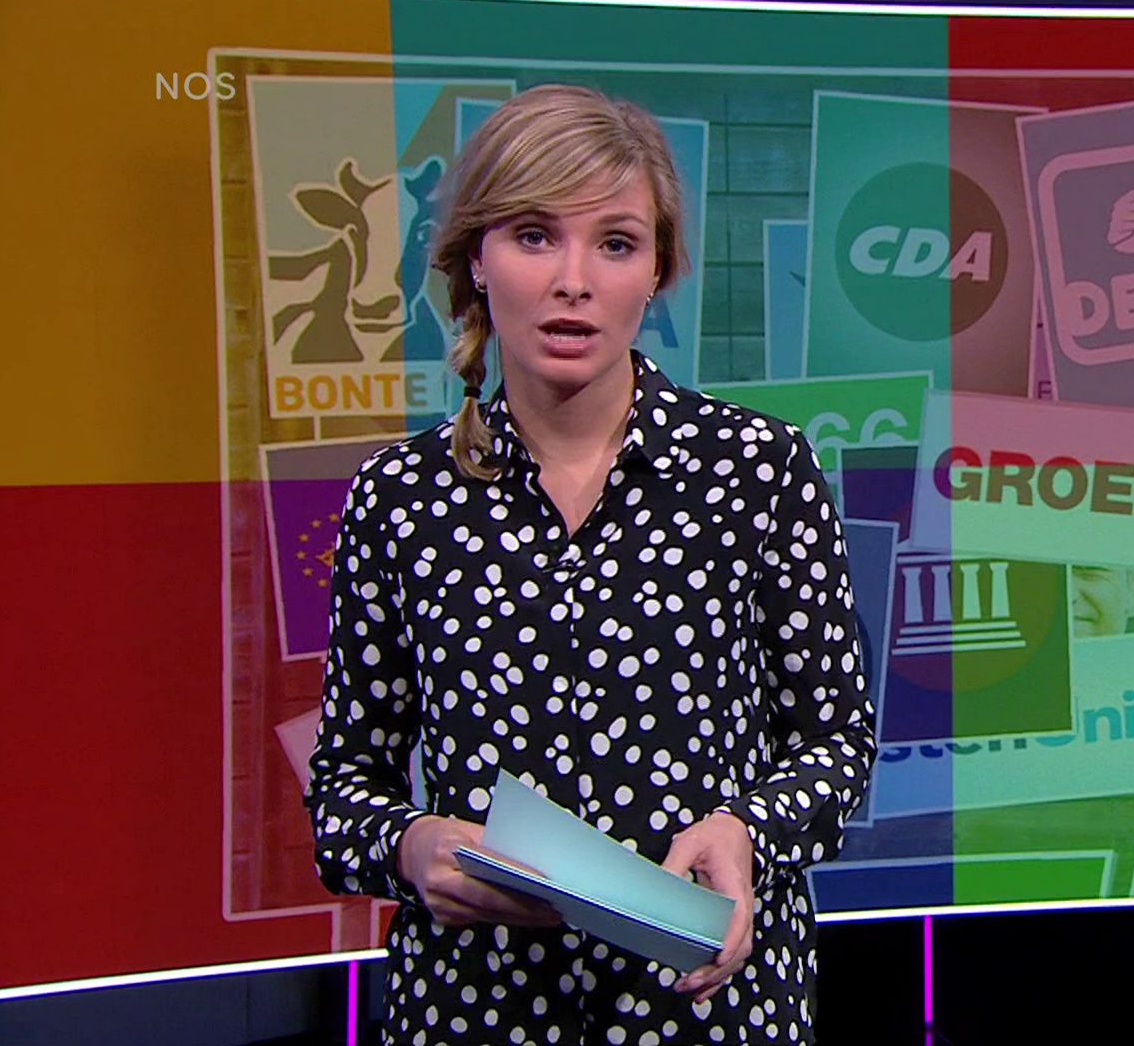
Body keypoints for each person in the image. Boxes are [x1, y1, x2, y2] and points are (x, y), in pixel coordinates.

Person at [304, 84, 875, 1045]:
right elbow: (343, 786)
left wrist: (749, 831)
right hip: (474, 1010)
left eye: (615, 243)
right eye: (534, 236)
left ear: (656, 271)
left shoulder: (757, 470)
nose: (574, 280)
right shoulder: (400, 497)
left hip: (705, 1009)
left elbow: (836, 743)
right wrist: (409, 844)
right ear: (476, 258)